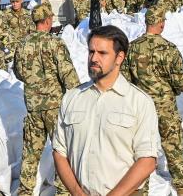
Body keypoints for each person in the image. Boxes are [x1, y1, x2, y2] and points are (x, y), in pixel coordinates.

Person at [53, 25, 159, 196]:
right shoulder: (72, 98)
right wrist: (76, 192)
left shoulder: (139, 102)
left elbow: (147, 160)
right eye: (91, 52)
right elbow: (59, 152)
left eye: (102, 53)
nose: (94, 58)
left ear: (119, 57)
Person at [13, 4, 80, 195]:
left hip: (33, 106)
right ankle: (63, 190)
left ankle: (25, 191)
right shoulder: (55, 43)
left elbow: (18, 73)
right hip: (54, 106)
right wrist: (79, 96)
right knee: (61, 150)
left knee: (30, 152)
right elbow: (67, 74)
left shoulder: (22, 44)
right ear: (48, 21)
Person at [123, 5, 183, 195]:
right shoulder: (169, 49)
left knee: (141, 149)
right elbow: (181, 83)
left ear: (146, 23)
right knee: (173, 144)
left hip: (140, 107)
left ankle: (140, 187)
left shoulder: (132, 48)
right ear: (161, 24)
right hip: (166, 105)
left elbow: (125, 80)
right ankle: (181, 186)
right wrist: (171, 92)